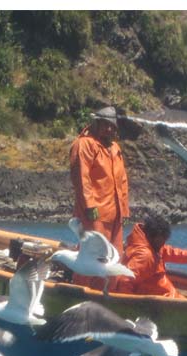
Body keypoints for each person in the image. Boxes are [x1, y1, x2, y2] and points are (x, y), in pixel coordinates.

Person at [70, 106, 130, 289]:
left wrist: (124, 210)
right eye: (105, 125)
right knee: (90, 257)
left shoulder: (115, 148)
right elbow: (82, 178)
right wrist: (89, 206)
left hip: (115, 214)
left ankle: (105, 295)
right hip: (94, 213)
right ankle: (79, 293)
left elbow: (123, 181)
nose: (109, 129)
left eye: (112, 126)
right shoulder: (84, 144)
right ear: (96, 123)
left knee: (115, 256)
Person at [113, 214, 187, 298]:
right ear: (152, 237)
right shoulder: (145, 256)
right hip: (159, 301)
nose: (163, 244)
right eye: (162, 241)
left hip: (164, 295)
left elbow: (165, 250)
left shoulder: (148, 242)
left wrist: (185, 255)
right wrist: (129, 306)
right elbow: (125, 281)